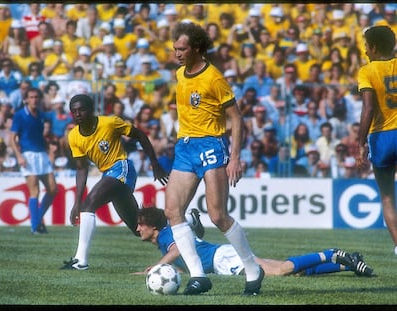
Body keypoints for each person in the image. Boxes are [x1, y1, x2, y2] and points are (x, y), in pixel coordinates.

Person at [164, 21, 263, 296]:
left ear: (196, 48)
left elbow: (237, 119)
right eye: (175, 49)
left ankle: (253, 269)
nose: (177, 54)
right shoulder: (180, 74)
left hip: (210, 145)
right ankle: (198, 276)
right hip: (185, 147)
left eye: (182, 49)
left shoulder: (214, 78)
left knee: (218, 215)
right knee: (172, 211)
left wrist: (234, 158)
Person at [60, 94, 168, 271]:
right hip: (108, 175)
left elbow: (139, 134)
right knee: (138, 226)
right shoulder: (73, 137)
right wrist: (76, 203)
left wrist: (154, 164)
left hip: (122, 167)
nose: (78, 114)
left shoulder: (109, 123)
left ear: (91, 110)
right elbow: (81, 169)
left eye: (82, 109)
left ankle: (81, 261)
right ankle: (186, 221)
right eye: (74, 111)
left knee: (89, 205)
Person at [135, 206, 375, 277]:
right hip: (223, 255)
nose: (137, 229)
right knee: (294, 272)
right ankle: (346, 263)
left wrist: (157, 267)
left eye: (140, 225)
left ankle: (330, 252)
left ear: (153, 226)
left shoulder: (167, 235)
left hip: (224, 259)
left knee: (281, 271)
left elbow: (177, 249)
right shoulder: (165, 237)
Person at [356, 25, 397, 256]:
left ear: (373, 47)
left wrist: (360, 143)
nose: (364, 51)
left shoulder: (367, 71)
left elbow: (368, 108)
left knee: (388, 197)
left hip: (381, 137)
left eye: (365, 46)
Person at [10, 87, 58, 234]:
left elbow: (39, 136)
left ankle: (37, 220)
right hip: (28, 154)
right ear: (26, 99)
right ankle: (35, 225)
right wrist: (19, 156)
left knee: (53, 189)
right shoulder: (19, 115)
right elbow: (12, 138)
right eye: (31, 97)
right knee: (34, 190)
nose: (34, 100)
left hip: (41, 154)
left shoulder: (41, 115)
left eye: (36, 97)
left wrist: (49, 149)